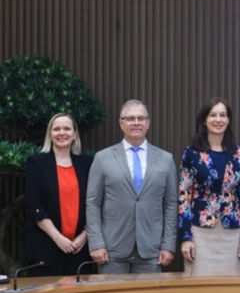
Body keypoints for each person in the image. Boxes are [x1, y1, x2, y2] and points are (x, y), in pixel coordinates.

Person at [86, 100, 177, 273]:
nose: (136, 122)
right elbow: (93, 203)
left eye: (141, 118)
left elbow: (171, 204)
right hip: (111, 248)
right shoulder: (102, 158)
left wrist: (168, 245)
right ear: (121, 123)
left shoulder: (166, 159)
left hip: (152, 249)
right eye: (130, 118)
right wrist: (96, 243)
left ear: (148, 123)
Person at [178, 97, 240, 272]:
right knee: (199, 287)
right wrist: (185, 237)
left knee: (229, 288)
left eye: (222, 115)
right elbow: (184, 197)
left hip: (232, 232)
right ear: (204, 120)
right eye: (213, 115)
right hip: (199, 231)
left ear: (228, 120)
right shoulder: (192, 154)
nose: (218, 120)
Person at [22, 113, 94, 277]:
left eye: (67, 128)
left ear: (75, 134)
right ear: (50, 134)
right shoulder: (37, 162)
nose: (62, 133)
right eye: (56, 129)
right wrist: (58, 238)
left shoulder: (87, 163)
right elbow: (34, 204)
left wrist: (84, 237)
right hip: (45, 249)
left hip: (79, 250)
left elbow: (95, 202)